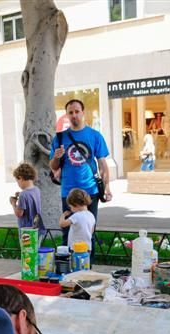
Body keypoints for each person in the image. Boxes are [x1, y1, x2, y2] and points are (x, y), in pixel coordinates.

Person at [49, 99, 111, 247]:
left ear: (83, 113)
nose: (74, 115)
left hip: (90, 191)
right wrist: (57, 156)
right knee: (68, 232)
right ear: (67, 115)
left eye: (77, 111)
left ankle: (88, 268)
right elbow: (53, 166)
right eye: (70, 112)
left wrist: (107, 187)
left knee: (89, 232)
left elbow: (102, 164)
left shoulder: (95, 136)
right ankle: (68, 267)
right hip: (68, 193)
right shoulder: (59, 138)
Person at [9, 162, 45, 242]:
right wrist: (21, 194)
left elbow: (19, 213)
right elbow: (31, 201)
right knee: (36, 251)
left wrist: (13, 203)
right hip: (37, 228)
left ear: (21, 178)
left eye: (17, 181)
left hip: (27, 231)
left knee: (27, 252)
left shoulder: (23, 195)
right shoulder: (36, 190)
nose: (18, 184)